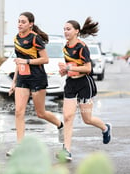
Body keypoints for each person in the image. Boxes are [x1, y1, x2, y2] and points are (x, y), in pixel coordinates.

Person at [6, 12, 64, 156]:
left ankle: (60, 125)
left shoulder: (35, 38)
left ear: (30, 24)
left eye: (23, 22)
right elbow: (18, 61)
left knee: (40, 113)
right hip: (22, 79)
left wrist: (27, 61)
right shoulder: (16, 38)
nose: (19, 24)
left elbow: (45, 59)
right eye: (18, 21)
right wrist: (14, 82)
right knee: (19, 112)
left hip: (37, 78)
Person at [56, 17, 112, 161]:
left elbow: (88, 68)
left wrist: (69, 67)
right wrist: (65, 71)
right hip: (70, 83)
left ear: (76, 31)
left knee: (87, 119)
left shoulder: (82, 47)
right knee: (68, 117)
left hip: (84, 84)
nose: (65, 31)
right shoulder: (65, 47)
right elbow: (71, 67)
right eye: (64, 29)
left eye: (68, 29)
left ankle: (105, 128)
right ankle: (66, 150)